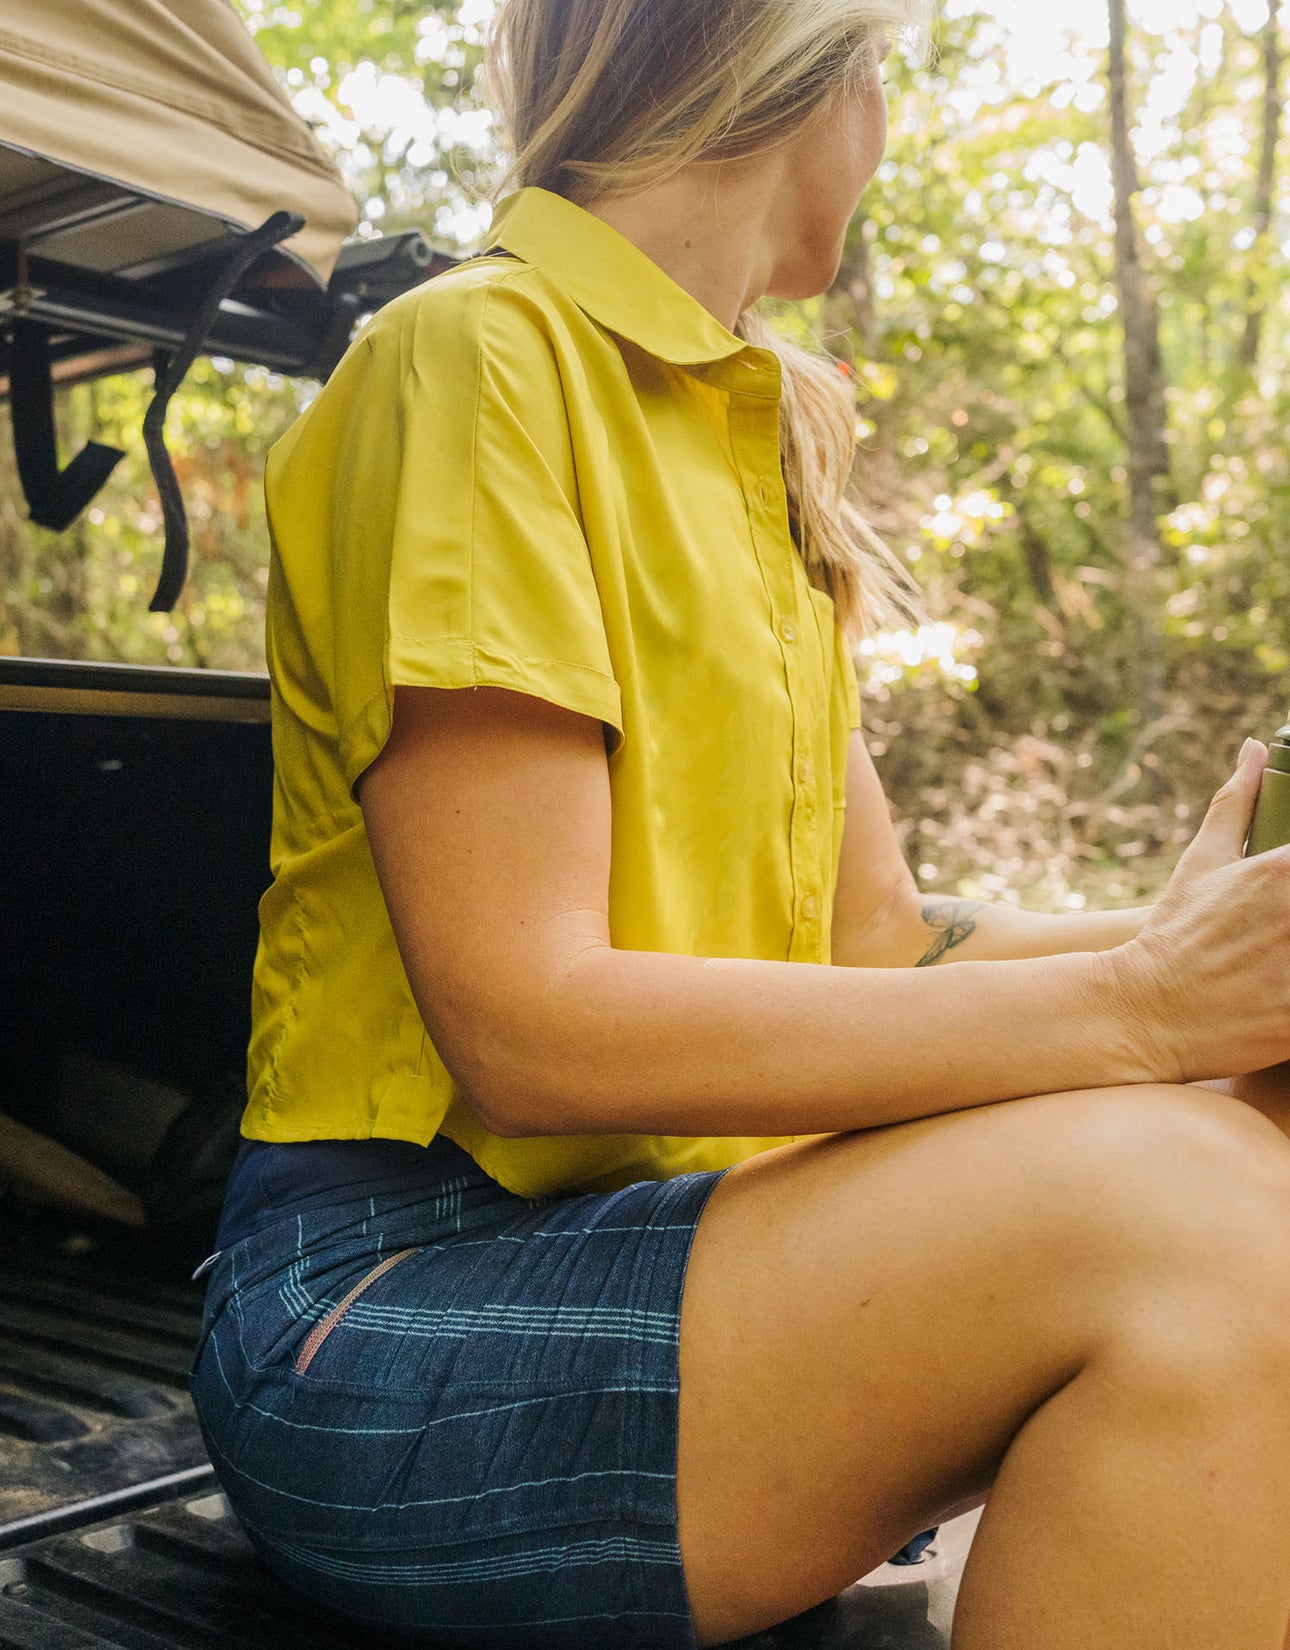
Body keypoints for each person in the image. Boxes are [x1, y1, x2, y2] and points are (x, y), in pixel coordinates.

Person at [189, 0, 1290, 1646]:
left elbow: (879, 945)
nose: (891, 122)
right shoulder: (473, 359)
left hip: (671, 1238)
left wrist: (1204, 956)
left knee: (1255, 1109)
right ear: (812, 71)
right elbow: (529, 1024)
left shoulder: (745, 437)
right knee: (1181, 1203)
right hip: (383, 1309)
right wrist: (1137, 1014)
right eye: (888, 74)